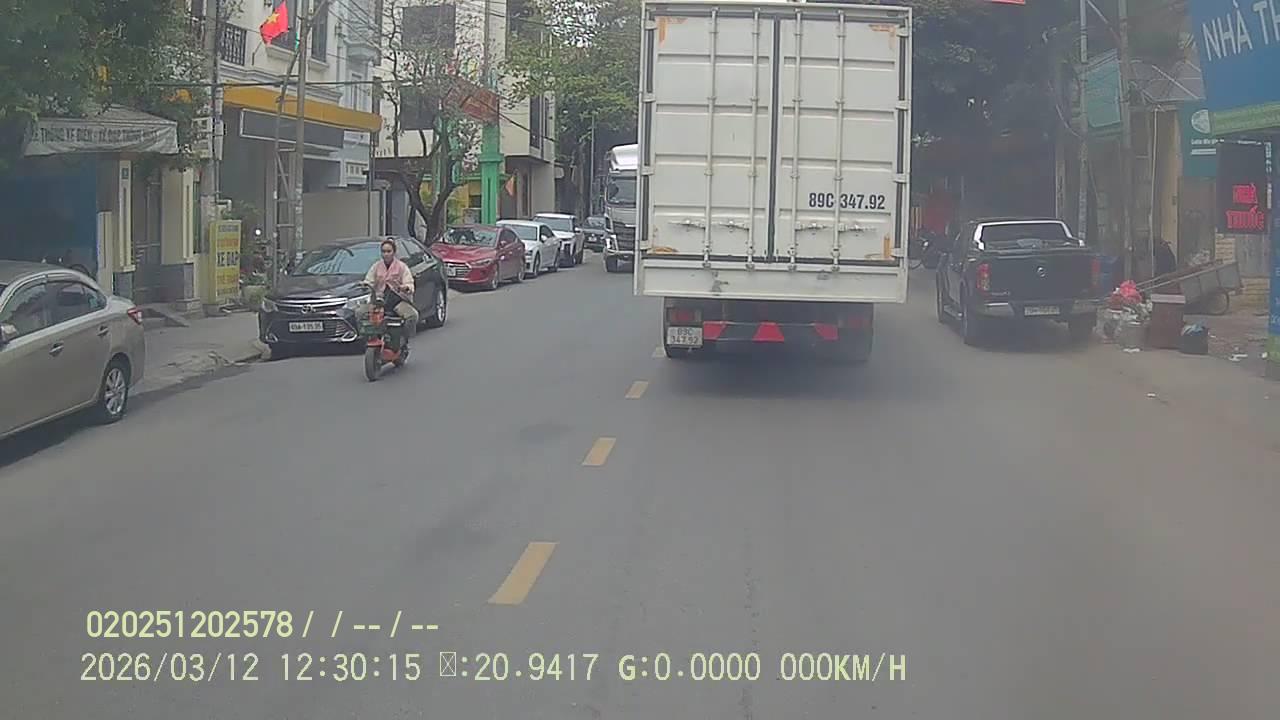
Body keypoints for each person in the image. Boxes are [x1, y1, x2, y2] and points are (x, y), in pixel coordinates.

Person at [364, 239, 419, 337]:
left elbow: (410, 285)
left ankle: (404, 338)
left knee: (412, 315)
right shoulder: (376, 266)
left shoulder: (402, 267)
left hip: (397, 300)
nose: (386, 254)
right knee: (359, 312)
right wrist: (365, 286)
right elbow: (368, 282)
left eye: (389, 251)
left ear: (394, 252)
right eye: (383, 251)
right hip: (379, 301)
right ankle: (369, 337)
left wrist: (404, 287)